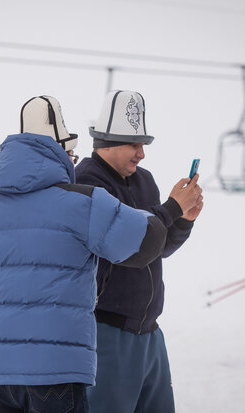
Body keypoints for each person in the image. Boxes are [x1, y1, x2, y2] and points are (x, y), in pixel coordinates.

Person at [0, 95, 169, 413]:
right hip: (58, 373)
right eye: (71, 156)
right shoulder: (84, 203)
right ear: (60, 152)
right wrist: (170, 212)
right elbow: (146, 243)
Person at [75, 90, 203, 413]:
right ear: (108, 142)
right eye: (134, 144)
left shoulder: (145, 181)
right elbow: (127, 245)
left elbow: (154, 247)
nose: (142, 154)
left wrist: (182, 221)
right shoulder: (87, 183)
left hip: (150, 334)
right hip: (107, 333)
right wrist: (172, 208)